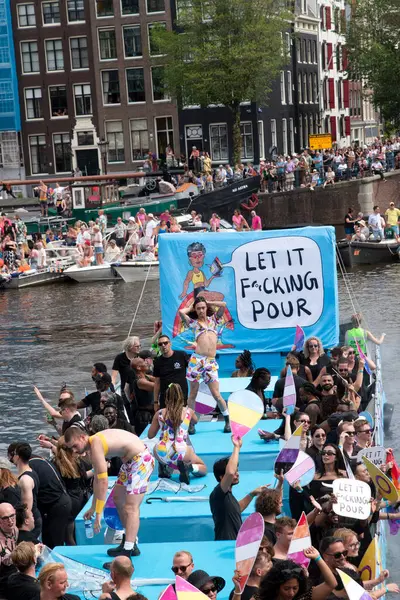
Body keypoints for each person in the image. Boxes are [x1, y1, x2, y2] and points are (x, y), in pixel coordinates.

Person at [63, 426, 154, 566]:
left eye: (75, 446)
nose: (74, 450)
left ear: (82, 437)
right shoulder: (93, 446)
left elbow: (104, 481)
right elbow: (97, 480)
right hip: (129, 463)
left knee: (131, 507)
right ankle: (129, 542)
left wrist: (99, 513)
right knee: (118, 499)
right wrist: (93, 507)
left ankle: (127, 553)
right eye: (71, 448)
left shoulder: (96, 444)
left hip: (141, 460)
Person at [179, 296, 231, 433]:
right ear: (195, 310)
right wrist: (191, 307)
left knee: (216, 394)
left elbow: (223, 304)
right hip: (197, 361)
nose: (201, 310)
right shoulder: (194, 324)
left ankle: (227, 421)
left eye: (203, 308)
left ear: (206, 308)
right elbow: (181, 312)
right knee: (193, 394)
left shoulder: (214, 321)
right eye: (198, 308)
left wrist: (208, 302)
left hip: (210, 362)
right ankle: (190, 423)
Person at [12, 445, 72, 549]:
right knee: (55, 540)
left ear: (17, 457)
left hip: (54, 506)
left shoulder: (26, 477)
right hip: (61, 501)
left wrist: (26, 521)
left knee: (54, 543)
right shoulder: (35, 467)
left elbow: (27, 507)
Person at [209, 436, 268, 540]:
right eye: (235, 472)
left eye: (237, 471)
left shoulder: (228, 496)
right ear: (222, 477)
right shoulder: (218, 494)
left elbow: (237, 508)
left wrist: (252, 494)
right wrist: (237, 447)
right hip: (225, 544)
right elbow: (230, 472)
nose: (237, 474)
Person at [148, 383, 206, 483]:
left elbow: (150, 435)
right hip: (181, 449)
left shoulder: (160, 413)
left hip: (160, 450)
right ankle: (189, 468)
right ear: (182, 397)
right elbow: (196, 421)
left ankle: (164, 467)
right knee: (203, 468)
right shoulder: (188, 411)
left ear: (166, 397)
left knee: (165, 456)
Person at [257, 548, 337, 600]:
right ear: (276, 586)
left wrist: (317, 558)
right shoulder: (261, 597)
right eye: (286, 588)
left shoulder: (302, 597)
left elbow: (331, 584)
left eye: (295, 588)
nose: (291, 593)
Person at [12, 443, 42, 539]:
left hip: (30, 522)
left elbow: (26, 508)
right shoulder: (31, 472)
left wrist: (23, 527)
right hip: (34, 517)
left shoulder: (25, 480)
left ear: (17, 457)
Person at [153, 334, 188, 411]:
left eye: (165, 343)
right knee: (166, 420)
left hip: (181, 395)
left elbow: (193, 371)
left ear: (170, 343)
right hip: (166, 397)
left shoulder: (182, 355)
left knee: (183, 419)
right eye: (160, 344)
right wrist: (155, 402)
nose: (163, 345)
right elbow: (157, 382)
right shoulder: (157, 362)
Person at [130, 357, 155, 435]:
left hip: (151, 413)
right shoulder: (140, 381)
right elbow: (157, 387)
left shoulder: (146, 377)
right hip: (144, 417)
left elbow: (159, 380)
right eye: (143, 361)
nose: (146, 362)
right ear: (138, 367)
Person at [0, 503, 18, 597]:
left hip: (13, 574)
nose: (10, 521)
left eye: (12, 516)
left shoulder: (15, 530)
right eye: (5, 518)